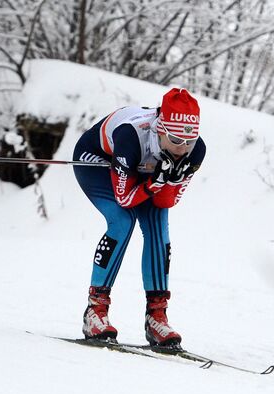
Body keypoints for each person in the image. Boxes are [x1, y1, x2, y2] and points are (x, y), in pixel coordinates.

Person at [72, 87, 206, 351]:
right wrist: (156, 181)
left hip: (143, 171)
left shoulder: (195, 150)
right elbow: (124, 198)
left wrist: (169, 180)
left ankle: (157, 317)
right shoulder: (131, 136)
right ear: (160, 130)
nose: (183, 149)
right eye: (176, 140)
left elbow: (167, 202)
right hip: (100, 159)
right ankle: (95, 311)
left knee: (158, 229)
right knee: (122, 221)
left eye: (188, 142)